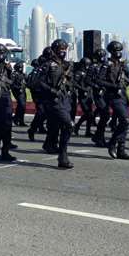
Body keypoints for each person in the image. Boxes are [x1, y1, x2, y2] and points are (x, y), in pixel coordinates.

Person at [37, 39, 74, 169]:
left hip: (64, 100)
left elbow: (71, 81)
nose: (63, 52)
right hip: (53, 101)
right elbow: (38, 82)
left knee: (55, 126)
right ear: (54, 50)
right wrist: (51, 90)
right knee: (68, 125)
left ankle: (49, 145)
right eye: (60, 50)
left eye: (64, 49)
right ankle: (63, 156)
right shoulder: (48, 65)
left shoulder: (67, 66)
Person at [98, 41, 129, 160]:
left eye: (120, 51)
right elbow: (99, 81)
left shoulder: (123, 65)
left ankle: (121, 149)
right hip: (112, 96)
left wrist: (126, 81)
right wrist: (113, 86)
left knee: (125, 122)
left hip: (123, 96)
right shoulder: (106, 64)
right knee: (125, 120)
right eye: (116, 51)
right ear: (111, 52)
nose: (118, 53)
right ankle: (113, 142)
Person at [11, 61, 27, 126]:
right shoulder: (14, 74)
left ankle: (20, 120)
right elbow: (12, 84)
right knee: (21, 104)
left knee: (22, 106)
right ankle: (16, 118)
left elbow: (27, 82)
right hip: (17, 91)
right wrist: (18, 88)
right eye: (20, 67)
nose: (22, 68)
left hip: (23, 91)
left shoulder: (23, 74)